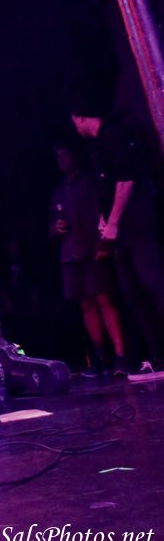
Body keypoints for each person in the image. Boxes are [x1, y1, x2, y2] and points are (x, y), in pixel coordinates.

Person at [71, 100, 164, 374]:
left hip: (136, 225)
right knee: (133, 293)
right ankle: (158, 357)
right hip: (119, 233)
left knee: (154, 285)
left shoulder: (114, 135)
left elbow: (126, 180)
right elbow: (106, 186)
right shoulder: (95, 147)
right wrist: (104, 218)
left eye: (73, 120)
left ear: (80, 117)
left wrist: (112, 222)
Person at [48, 139, 127, 376]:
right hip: (70, 255)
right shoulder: (59, 191)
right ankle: (99, 358)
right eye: (58, 156)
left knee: (103, 298)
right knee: (86, 303)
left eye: (65, 154)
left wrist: (103, 243)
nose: (62, 160)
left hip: (92, 249)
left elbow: (101, 212)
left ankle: (121, 355)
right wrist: (55, 229)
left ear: (74, 155)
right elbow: (50, 228)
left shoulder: (89, 183)